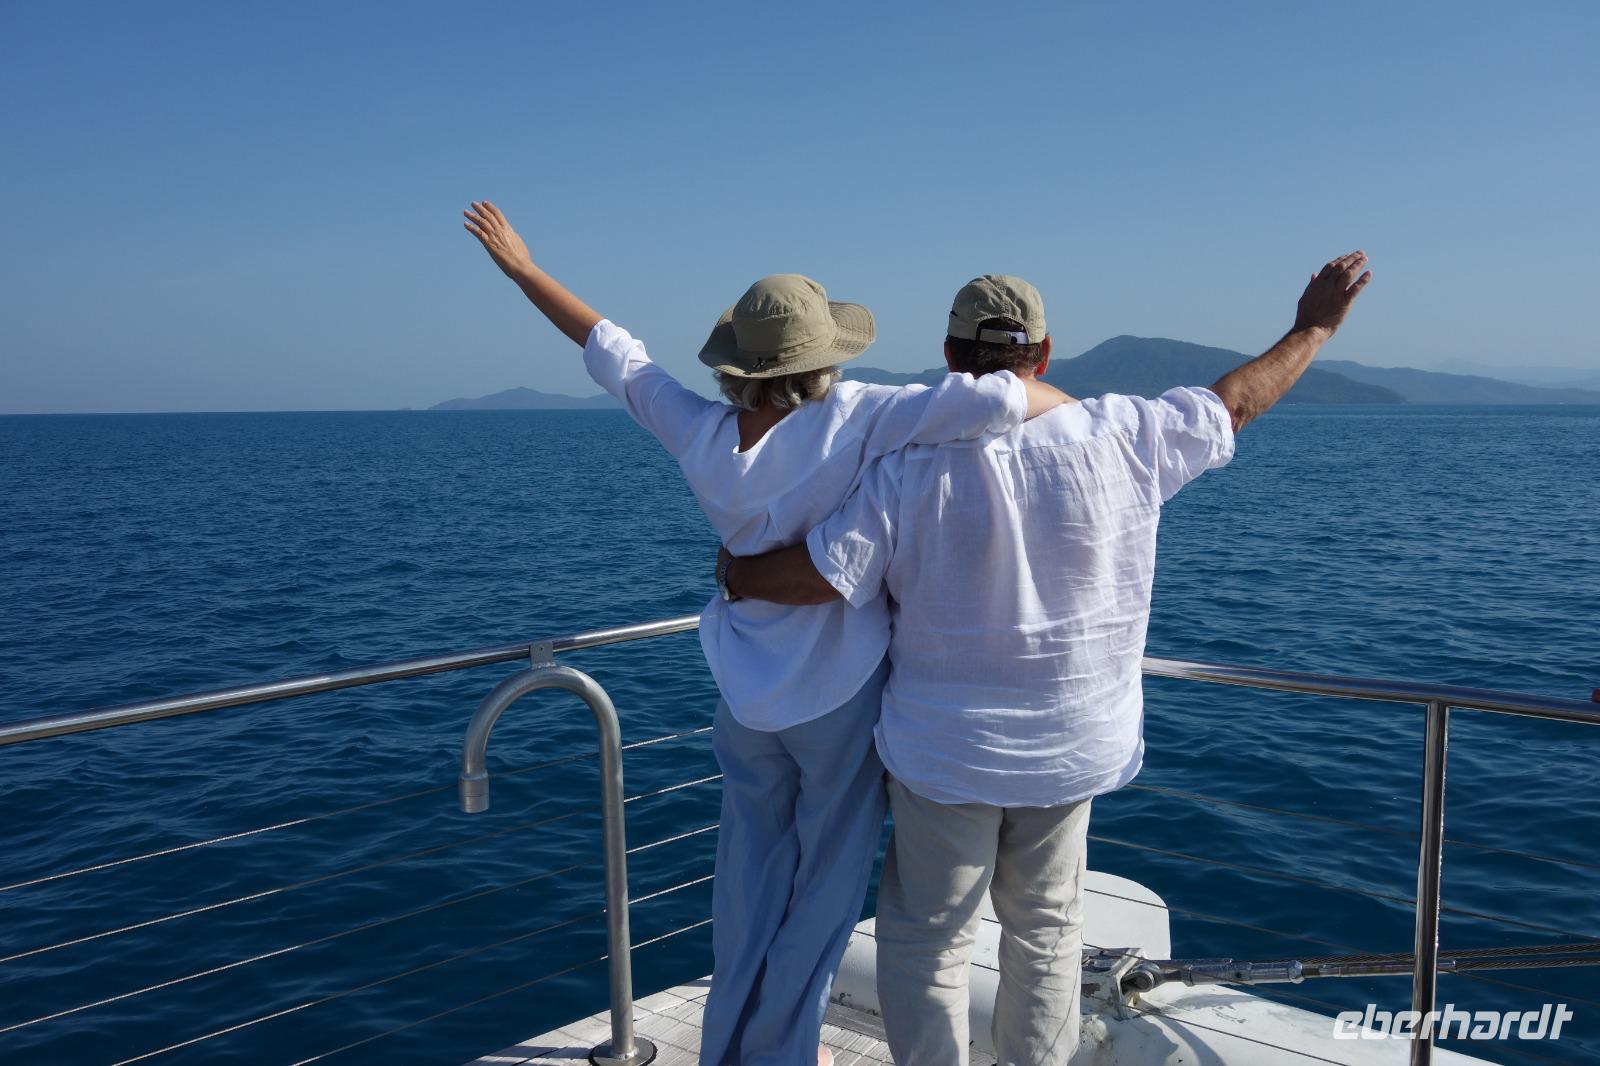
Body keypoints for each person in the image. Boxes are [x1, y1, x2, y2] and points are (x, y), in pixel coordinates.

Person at [718, 254, 1372, 1066]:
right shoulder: (1125, 435)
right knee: (1048, 933)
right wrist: (1313, 327)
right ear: (1046, 355)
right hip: (1071, 748)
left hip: (945, 754)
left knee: (927, 939)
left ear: (953, 359)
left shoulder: (907, 465)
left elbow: (823, 575)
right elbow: (1235, 403)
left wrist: (737, 573)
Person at [462, 202, 1066, 1066]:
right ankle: (782, 1053)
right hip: (840, 699)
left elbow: (613, 353)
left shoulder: (701, 436)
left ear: (737, 363)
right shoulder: (856, 416)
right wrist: (1088, 411)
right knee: (823, 894)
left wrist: (523, 269)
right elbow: (1001, 400)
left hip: (746, 699)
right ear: (824, 357)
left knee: (747, 883)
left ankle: (727, 1047)